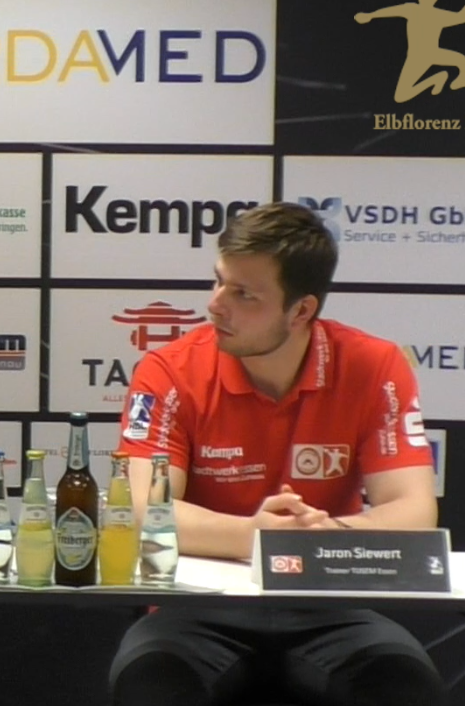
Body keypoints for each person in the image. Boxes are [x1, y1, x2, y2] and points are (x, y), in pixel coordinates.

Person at [109, 202, 446, 706]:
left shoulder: (374, 365)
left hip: (328, 601)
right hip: (197, 606)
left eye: (243, 294)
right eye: (218, 281)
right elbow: (142, 511)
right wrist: (257, 537)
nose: (215, 305)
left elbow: (415, 510)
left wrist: (326, 536)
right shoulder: (169, 370)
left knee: (403, 687)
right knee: (151, 686)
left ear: (301, 310)